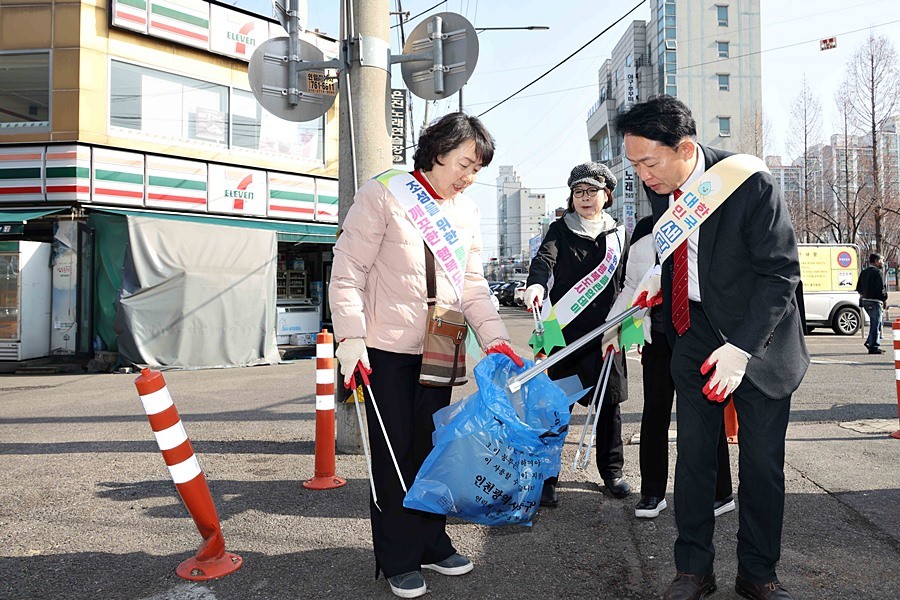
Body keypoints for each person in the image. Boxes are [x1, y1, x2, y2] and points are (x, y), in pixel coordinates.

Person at [615, 95, 809, 600]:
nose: (642, 176)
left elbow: (780, 273)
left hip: (759, 337)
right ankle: (694, 570)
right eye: (633, 164)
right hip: (695, 331)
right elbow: (685, 256)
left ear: (684, 148)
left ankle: (758, 573)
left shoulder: (748, 183)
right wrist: (653, 286)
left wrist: (742, 348)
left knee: (762, 465)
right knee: (696, 457)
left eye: (648, 162)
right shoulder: (664, 186)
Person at [329, 112, 524, 599]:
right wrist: (350, 336)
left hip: (442, 344)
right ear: (437, 152)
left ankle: (432, 543)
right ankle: (397, 557)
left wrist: (495, 335)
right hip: (385, 349)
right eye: (464, 163)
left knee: (434, 449)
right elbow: (348, 269)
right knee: (394, 456)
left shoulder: (467, 211)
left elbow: (474, 283)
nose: (468, 176)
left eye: (476, 169)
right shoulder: (383, 194)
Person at [610, 216, 735, 521]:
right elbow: (630, 285)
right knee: (655, 412)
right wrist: (610, 327)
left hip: (700, 334)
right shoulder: (642, 229)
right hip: (659, 336)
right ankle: (653, 493)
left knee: (706, 413)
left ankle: (721, 492)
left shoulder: (702, 215)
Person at [524, 161, 630, 508]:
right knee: (558, 407)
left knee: (609, 404)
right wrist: (537, 284)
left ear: (606, 195)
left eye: (592, 191)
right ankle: (548, 478)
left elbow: (629, 280)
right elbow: (544, 260)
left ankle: (612, 471)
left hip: (608, 332)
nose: (584, 198)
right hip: (567, 334)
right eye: (578, 191)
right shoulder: (560, 229)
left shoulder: (619, 235)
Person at [857, 253, 888, 354]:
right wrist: (884, 298)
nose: (883, 263)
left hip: (865, 300)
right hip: (875, 301)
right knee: (876, 323)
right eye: (881, 261)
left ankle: (869, 341)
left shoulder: (864, 272)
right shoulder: (878, 272)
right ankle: (873, 346)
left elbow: (858, 288)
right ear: (876, 261)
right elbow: (881, 288)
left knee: (877, 323)